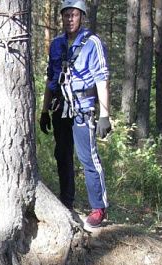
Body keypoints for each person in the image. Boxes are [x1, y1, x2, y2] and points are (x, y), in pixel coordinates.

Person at [39, 0, 112, 227]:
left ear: (81, 16)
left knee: (88, 157)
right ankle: (66, 200)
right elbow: (51, 79)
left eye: (74, 15)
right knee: (62, 155)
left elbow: (102, 80)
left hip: (83, 108)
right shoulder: (57, 44)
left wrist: (105, 115)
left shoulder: (92, 43)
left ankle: (98, 208)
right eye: (66, 15)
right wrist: (44, 110)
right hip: (61, 108)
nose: (70, 19)